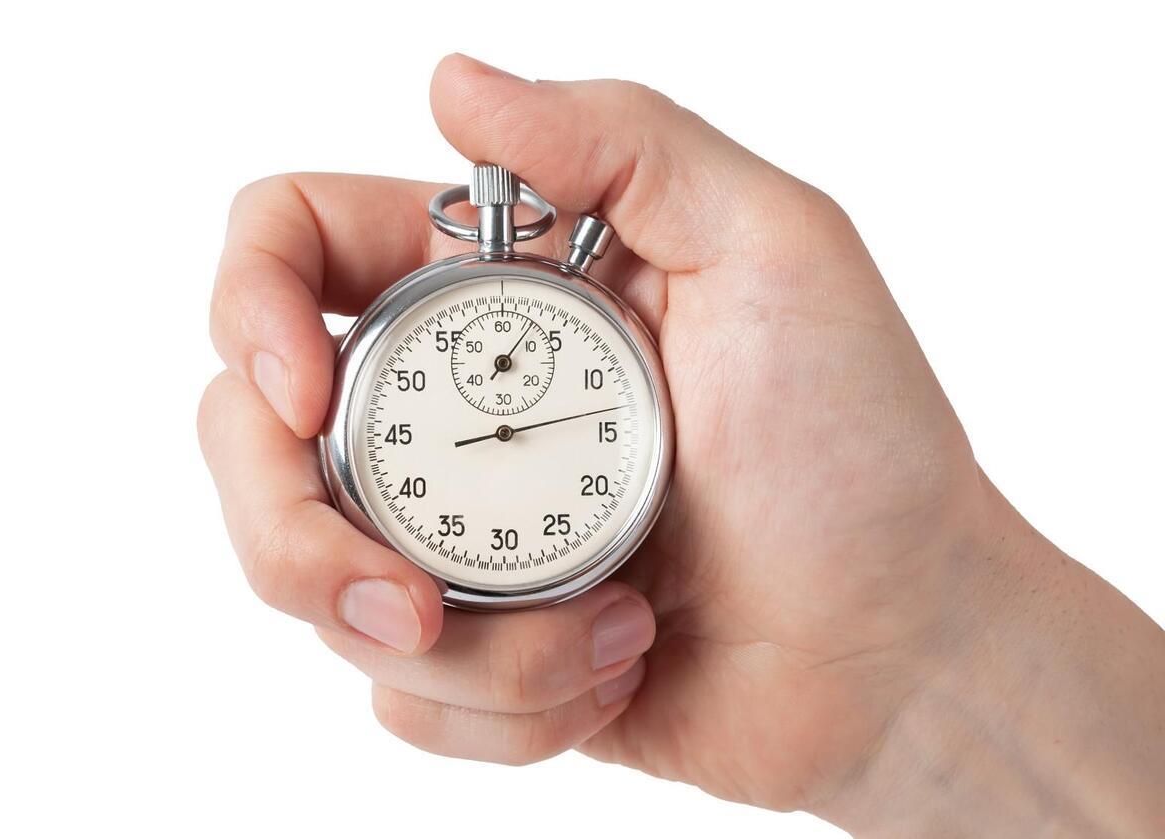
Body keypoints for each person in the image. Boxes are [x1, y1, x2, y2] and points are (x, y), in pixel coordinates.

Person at [198, 54, 1165, 836]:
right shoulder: (432, 349)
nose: (503, 422)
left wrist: (921, 653)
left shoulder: (625, 335)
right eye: (492, 422)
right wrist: (910, 684)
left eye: (518, 411)